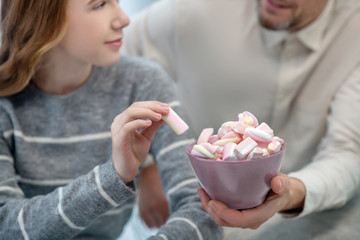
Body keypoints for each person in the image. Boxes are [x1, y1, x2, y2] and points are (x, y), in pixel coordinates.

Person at [122, 0, 360, 230]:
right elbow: (121, 56)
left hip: (303, 214)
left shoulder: (353, 35)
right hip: (185, 201)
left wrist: (288, 195)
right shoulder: (197, 9)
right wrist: (150, 167)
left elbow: (348, 152)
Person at [0, 0, 223, 239]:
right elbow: (6, 227)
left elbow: (203, 206)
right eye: (99, 5)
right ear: (43, 19)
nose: (124, 19)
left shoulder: (144, 81)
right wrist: (112, 176)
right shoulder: (6, 105)